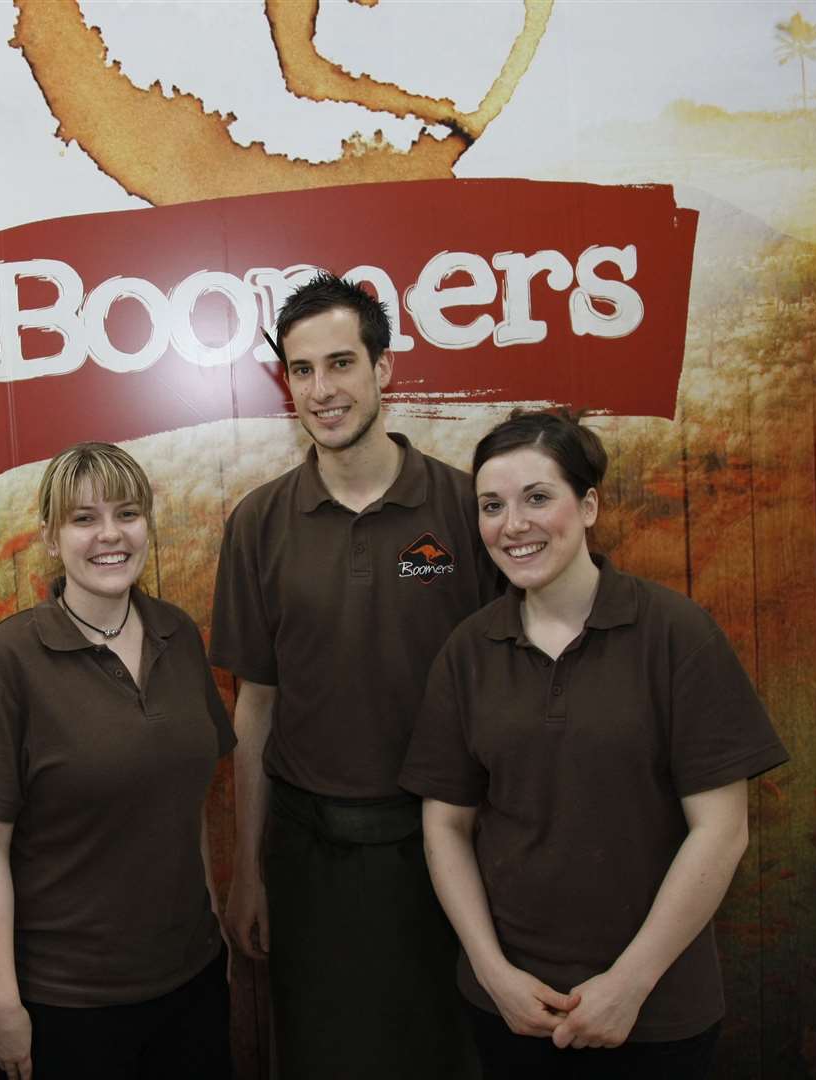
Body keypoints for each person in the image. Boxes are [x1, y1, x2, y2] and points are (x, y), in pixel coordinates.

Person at [399, 410, 789, 1079]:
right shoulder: (468, 650)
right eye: (492, 506)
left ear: (587, 506)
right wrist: (494, 973)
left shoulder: (675, 633)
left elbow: (722, 831)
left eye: (537, 498)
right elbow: (445, 826)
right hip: (512, 1010)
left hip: (657, 1010)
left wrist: (629, 985)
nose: (512, 524)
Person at [211, 272, 500, 1078]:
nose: (322, 390)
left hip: (446, 847)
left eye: (341, 363)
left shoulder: (464, 508)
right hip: (310, 857)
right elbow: (255, 711)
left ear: (385, 369)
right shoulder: (259, 523)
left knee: (448, 1054)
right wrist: (249, 871)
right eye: (302, 371)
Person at [0, 442, 233, 1080]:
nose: (109, 535)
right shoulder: (6, 663)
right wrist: (2, 1004)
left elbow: (188, 808)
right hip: (69, 1005)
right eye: (83, 518)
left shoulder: (177, 636)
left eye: (127, 513)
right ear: (49, 536)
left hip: (192, 981)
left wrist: (214, 936)